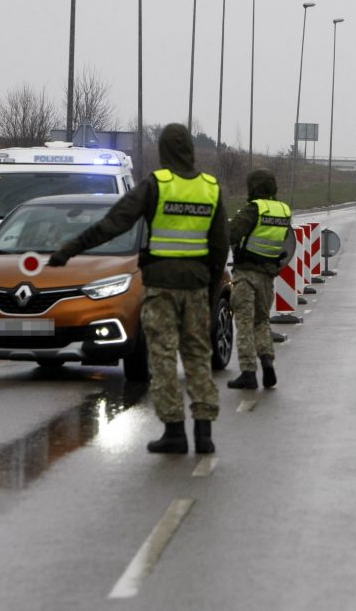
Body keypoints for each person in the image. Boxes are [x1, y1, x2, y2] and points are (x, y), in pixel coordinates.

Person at [48, 123, 229, 455]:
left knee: (161, 358)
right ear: (189, 149)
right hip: (197, 287)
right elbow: (220, 248)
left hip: (161, 288)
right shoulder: (210, 189)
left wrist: (70, 250)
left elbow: (114, 222)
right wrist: (209, 287)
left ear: (163, 151)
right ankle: (204, 433)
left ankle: (174, 431)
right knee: (197, 357)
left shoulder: (155, 186)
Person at [227, 169, 292, 390]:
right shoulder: (283, 211)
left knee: (244, 322)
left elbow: (231, 234)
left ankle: (248, 372)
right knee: (262, 321)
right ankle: (266, 361)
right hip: (267, 277)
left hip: (246, 274)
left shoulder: (253, 210)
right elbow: (281, 241)